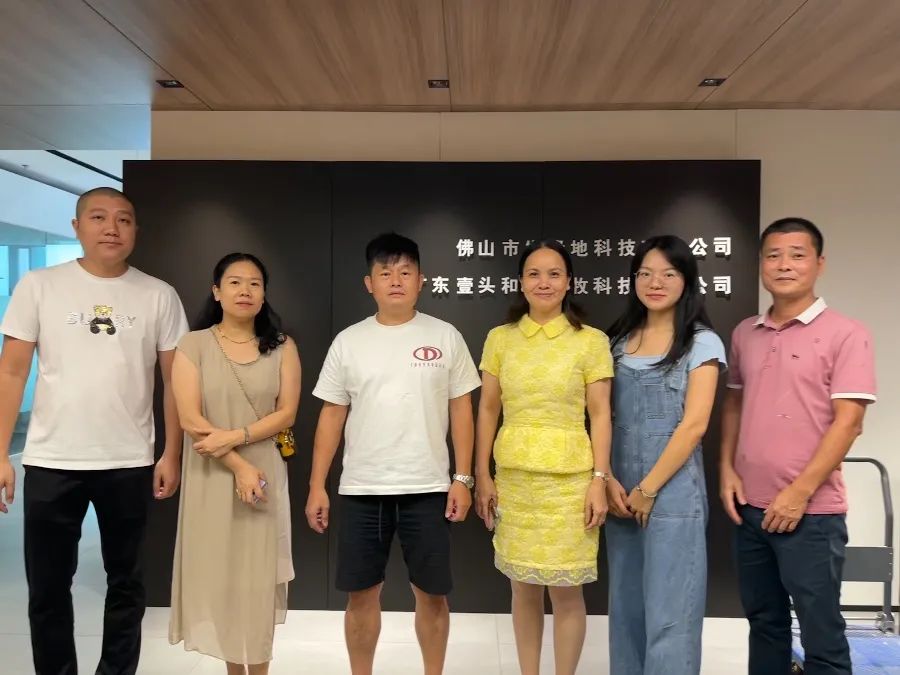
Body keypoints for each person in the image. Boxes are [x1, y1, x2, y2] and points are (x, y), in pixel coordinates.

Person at [0, 187, 188, 675]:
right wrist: (1, 454)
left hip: (129, 461)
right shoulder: (39, 286)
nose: (111, 228)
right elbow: (12, 372)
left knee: (127, 583)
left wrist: (172, 453)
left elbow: (176, 382)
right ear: (77, 226)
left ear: (136, 231)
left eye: (123, 219)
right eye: (99, 217)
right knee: (47, 587)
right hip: (51, 460)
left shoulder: (158, 294)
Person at [305, 232, 481, 675]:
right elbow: (331, 415)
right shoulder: (349, 341)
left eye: (405, 272)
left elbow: (462, 409)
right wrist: (316, 486)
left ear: (422, 280)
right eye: (386, 273)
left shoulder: (445, 335)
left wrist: (462, 478)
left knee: (433, 596)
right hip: (363, 490)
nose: (396, 281)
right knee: (360, 595)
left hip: (428, 488)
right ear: (370, 284)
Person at [719, 218, 876, 675]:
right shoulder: (745, 333)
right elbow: (734, 403)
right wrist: (726, 468)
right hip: (749, 508)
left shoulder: (847, 333)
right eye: (773, 255)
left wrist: (799, 492)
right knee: (764, 624)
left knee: (820, 633)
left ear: (819, 264)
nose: (784, 265)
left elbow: (849, 422)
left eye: (797, 254)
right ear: (761, 264)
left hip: (812, 514)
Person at [474, 239, 613, 675]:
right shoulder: (500, 338)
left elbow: (600, 413)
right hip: (515, 478)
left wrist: (599, 479)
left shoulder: (591, 341)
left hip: (570, 482)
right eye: (534, 273)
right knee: (523, 588)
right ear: (521, 282)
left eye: (554, 274)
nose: (544, 282)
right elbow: (488, 409)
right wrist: (482, 474)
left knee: (567, 592)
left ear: (569, 282)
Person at [168, 252, 300, 675]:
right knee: (222, 580)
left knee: (256, 583)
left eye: (255, 284)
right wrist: (238, 465)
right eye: (235, 282)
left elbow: (286, 413)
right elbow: (190, 419)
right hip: (213, 472)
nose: (245, 291)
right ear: (217, 292)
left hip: (263, 474)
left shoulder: (282, 346)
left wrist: (237, 437)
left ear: (264, 294)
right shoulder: (193, 345)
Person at [604, 235, 725, 675]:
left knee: (672, 613)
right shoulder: (616, 341)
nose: (655, 283)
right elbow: (600, 416)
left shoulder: (702, 342)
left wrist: (649, 488)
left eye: (668, 274)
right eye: (645, 274)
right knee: (625, 609)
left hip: (672, 494)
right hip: (620, 494)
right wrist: (607, 479)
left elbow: (695, 425)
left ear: (687, 281)